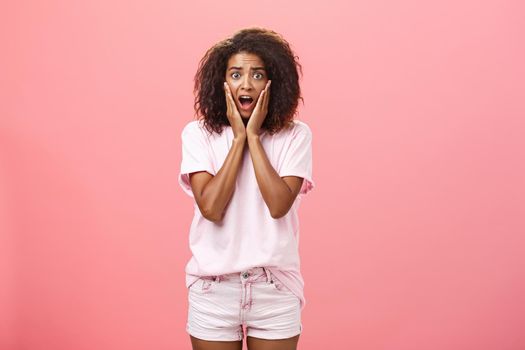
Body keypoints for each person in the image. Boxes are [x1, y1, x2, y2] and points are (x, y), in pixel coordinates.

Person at [178, 27, 315, 350]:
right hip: (213, 289)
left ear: (272, 82)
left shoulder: (295, 135)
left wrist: (253, 137)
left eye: (257, 74)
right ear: (221, 82)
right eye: (236, 74)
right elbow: (211, 208)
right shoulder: (198, 135)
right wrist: (238, 139)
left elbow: (278, 204)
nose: (246, 83)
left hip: (274, 289)